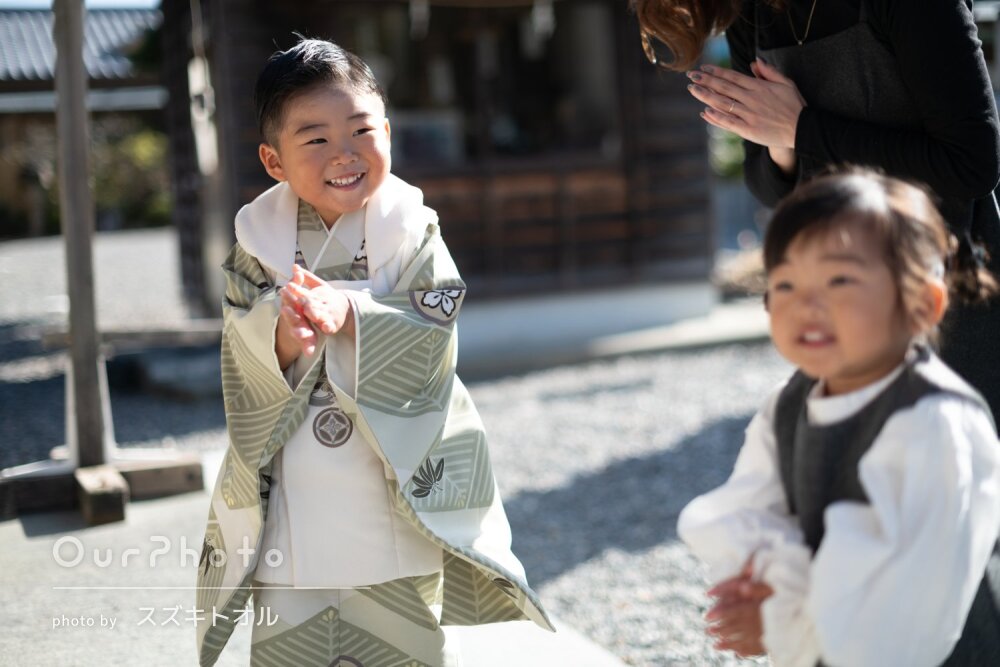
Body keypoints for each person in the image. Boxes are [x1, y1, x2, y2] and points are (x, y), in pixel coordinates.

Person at [194, 37, 552, 667]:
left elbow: (436, 322)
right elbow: (235, 340)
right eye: (316, 139)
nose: (345, 154)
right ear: (273, 161)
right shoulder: (258, 242)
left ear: (387, 131)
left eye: (361, 130)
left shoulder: (411, 230)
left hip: (390, 496)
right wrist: (274, 336)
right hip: (295, 500)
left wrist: (354, 314)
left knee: (402, 644)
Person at [677, 169, 1000, 666]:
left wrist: (782, 611)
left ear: (921, 303)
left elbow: (903, 598)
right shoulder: (788, 404)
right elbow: (751, 509)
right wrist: (757, 585)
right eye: (785, 282)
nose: (806, 304)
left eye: (839, 279)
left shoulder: (935, 421)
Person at [631, 0, 1000, 419]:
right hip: (836, 310)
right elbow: (770, 188)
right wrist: (781, 142)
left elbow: (971, 164)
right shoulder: (749, 15)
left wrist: (803, 129)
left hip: (945, 298)